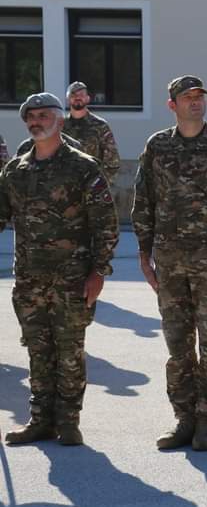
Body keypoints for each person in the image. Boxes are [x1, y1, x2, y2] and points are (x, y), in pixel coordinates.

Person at [132, 75, 207, 452]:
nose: (196, 102)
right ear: (173, 105)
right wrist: (144, 252)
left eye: (200, 96)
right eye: (187, 97)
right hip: (169, 260)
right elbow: (143, 199)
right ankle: (184, 418)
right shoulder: (157, 146)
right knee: (178, 345)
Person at [1, 92, 119, 446]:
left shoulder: (83, 167)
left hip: (72, 279)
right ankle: (40, 420)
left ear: (60, 120)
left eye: (43, 115)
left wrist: (99, 272)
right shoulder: (15, 171)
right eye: (30, 117)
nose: (36, 121)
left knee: (69, 351)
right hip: (29, 280)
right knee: (38, 350)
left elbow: (106, 224)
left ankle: (68, 421)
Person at [62, 81, 122, 184]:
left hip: (92, 186)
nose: (77, 97)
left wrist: (100, 184)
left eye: (81, 95)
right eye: (73, 95)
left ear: (87, 99)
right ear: (68, 99)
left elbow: (113, 162)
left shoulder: (100, 126)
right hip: (66, 187)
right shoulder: (60, 126)